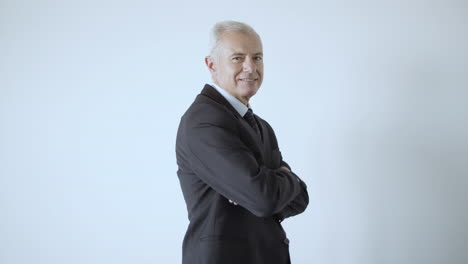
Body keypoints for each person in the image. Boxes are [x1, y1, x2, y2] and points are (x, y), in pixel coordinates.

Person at [175, 20, 309, 264]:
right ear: (211, 65)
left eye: (257, 57)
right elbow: (263, 199)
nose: (251, 67)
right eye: (238, 58)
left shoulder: (261, 126)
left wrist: (268, 186)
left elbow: (300, 199)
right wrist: (282, 178)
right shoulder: (204, 121)